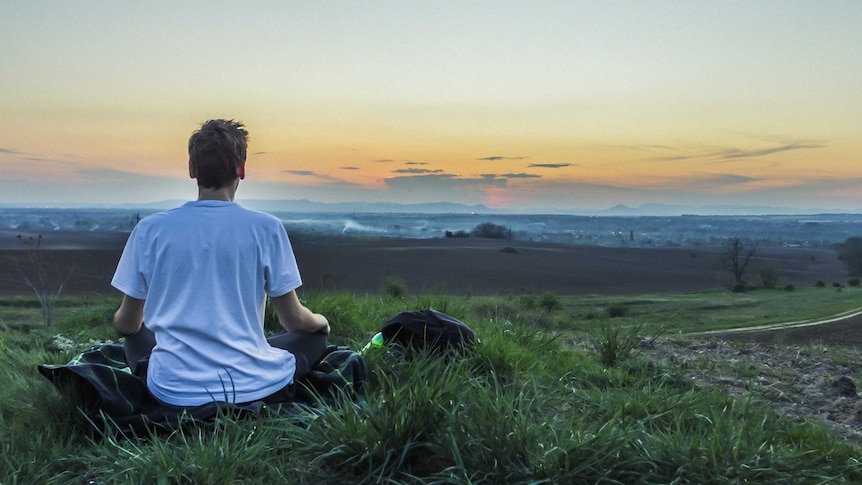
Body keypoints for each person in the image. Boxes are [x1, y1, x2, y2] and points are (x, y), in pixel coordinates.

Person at [111, 119, 330, 408]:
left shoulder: (150, 230)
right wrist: (321, 323)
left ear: (192, 170)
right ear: (241, 169)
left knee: (136, 335)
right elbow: (293, 321)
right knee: (313, 338)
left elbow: (126, 325)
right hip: (252, 385)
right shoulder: (267, 228)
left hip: (172, 389)